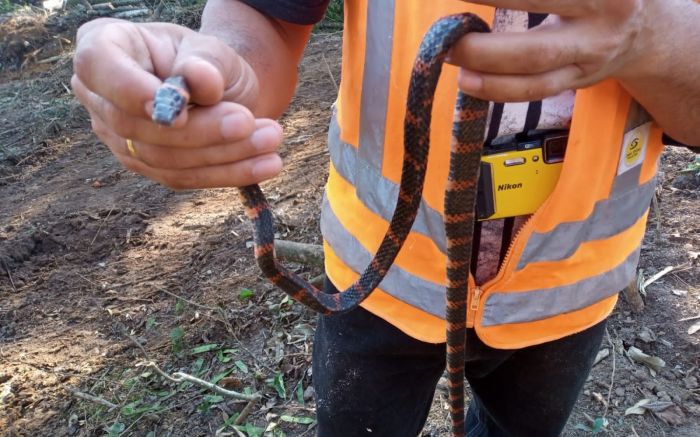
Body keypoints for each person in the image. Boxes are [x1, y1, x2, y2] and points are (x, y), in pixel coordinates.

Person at [72, 1, 700, 435]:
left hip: (569, 296)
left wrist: (658, 39)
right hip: (377, 280)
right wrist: (219, 71)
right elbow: (262, 14)